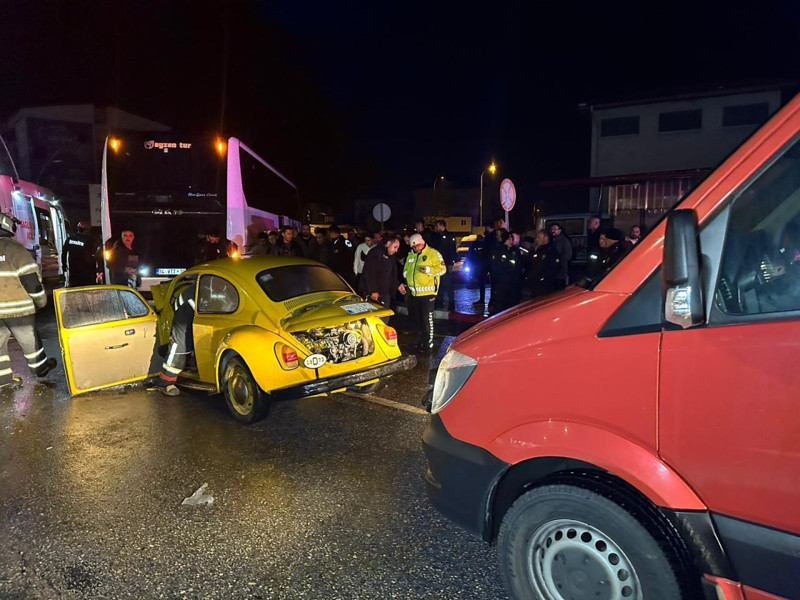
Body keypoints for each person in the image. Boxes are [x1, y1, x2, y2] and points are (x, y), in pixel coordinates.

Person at [0, 213, 57, 389]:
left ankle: (3, 381)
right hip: (19, 310)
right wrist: (40, 301)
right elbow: (31, 282)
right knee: (30, 342)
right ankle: (40, 369)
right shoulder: (16, 250)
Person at [399, 233, 445, 353]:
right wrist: (406, 277)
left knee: (426, 319)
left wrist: (429, 270)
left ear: (422, 243)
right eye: (413, 247)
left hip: (428, 293)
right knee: (417, 319)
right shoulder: (411, 254)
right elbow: (406, 268)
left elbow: (442, 269)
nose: (414, 249)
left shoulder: (433, 253)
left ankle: (428, 343)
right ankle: (422, 340)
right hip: (414, 293)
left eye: (416, 246)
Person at [154, 279, 197, 397]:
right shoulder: (203, 286)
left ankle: (192, 365)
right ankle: (165, 382)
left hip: (194, 312)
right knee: (179, 347)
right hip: (184, 313)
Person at [362, 236, 400, 321]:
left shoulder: (391, 256)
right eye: (395, 247)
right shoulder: (375, 253)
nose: (396, 250)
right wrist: (373, 290)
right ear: (389, 244)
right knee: (375, 317)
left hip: (386, 292)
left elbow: (392, 273)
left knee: (385, 316)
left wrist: (397, 285)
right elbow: (369, 273)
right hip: (376, 294)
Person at [489, 230, 525, 315]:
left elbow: (520, 264)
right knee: (501, 304)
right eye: (509, 239)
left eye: (512, 239)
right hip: (503, 282)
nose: (511, 241)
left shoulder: (515, 251)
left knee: (512, 303)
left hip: (514, 282)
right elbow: (496, 267)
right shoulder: (499, 251)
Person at [430, 220, 458, 311]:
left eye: (437, 226)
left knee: (448, 284)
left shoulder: (449, 236)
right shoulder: (436, 236)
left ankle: (451, 303)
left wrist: (450, 263)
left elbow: (451, 251)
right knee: (439, 284)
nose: (436, 228)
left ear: (442, 226)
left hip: (446, 263)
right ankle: (439, 302)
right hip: (438, 264)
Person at [61, 221, 96, 287]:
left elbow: (64, 253)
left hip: (73, 270)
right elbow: (90, 256)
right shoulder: (88, 241)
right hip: (85, 272)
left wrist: (64, 266)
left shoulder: (69, 239)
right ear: (86, 231)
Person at [528, 229, 559, 298]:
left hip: (544, 284)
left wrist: (544, 278)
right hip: (535, 282)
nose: (537, 239)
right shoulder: (538, 249)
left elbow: (553, 268)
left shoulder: (550, 251)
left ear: (546, 238)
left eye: (539, 237)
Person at [549, 222, 573, 290]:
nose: (553, 231)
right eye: (552, 229)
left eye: (555, 229)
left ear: (559, 230)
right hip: (553, 271)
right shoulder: (551, 240)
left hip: (560, 271)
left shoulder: (564, 241)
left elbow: (568, 255)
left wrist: (559, 260)